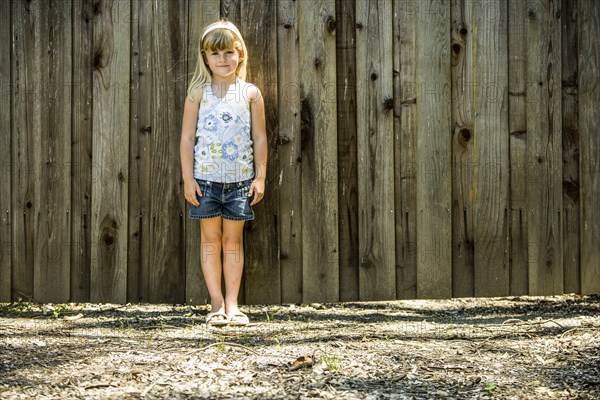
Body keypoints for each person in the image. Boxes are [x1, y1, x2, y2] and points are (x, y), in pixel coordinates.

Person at [180, 20, 267, 326]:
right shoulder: (197, 93)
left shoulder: (251, 94)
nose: (223, 59)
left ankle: (233, 304)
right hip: (205, 182)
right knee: (210, 241)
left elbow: (259, 137)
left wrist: (260, 177)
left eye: (229, 52)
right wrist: (189, 179)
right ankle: (216, 304)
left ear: (240, 53)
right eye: (215, 54)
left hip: (240, 183)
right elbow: (188, 138)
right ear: (205, 57)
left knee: (232, 243)